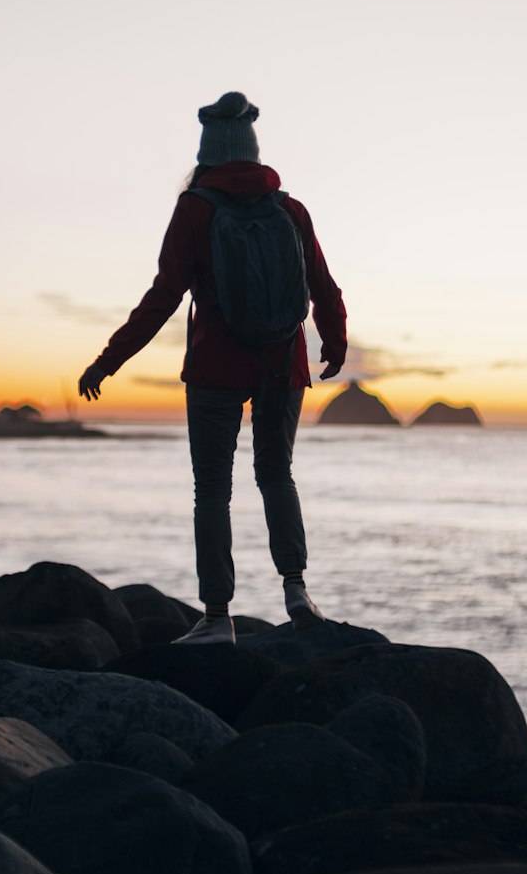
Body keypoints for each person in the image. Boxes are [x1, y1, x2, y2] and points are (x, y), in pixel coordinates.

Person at [78, 90, 347, 645]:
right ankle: (297, 588)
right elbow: (323, 285)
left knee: (212, 491)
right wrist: (335, 342)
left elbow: (163, 297)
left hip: (215, 370)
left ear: (208, 153)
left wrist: (109, 360)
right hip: (283, 361)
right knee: (277, 475)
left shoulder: (196, 208)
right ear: (252, 150)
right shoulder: (290, 209)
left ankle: (217, 616)